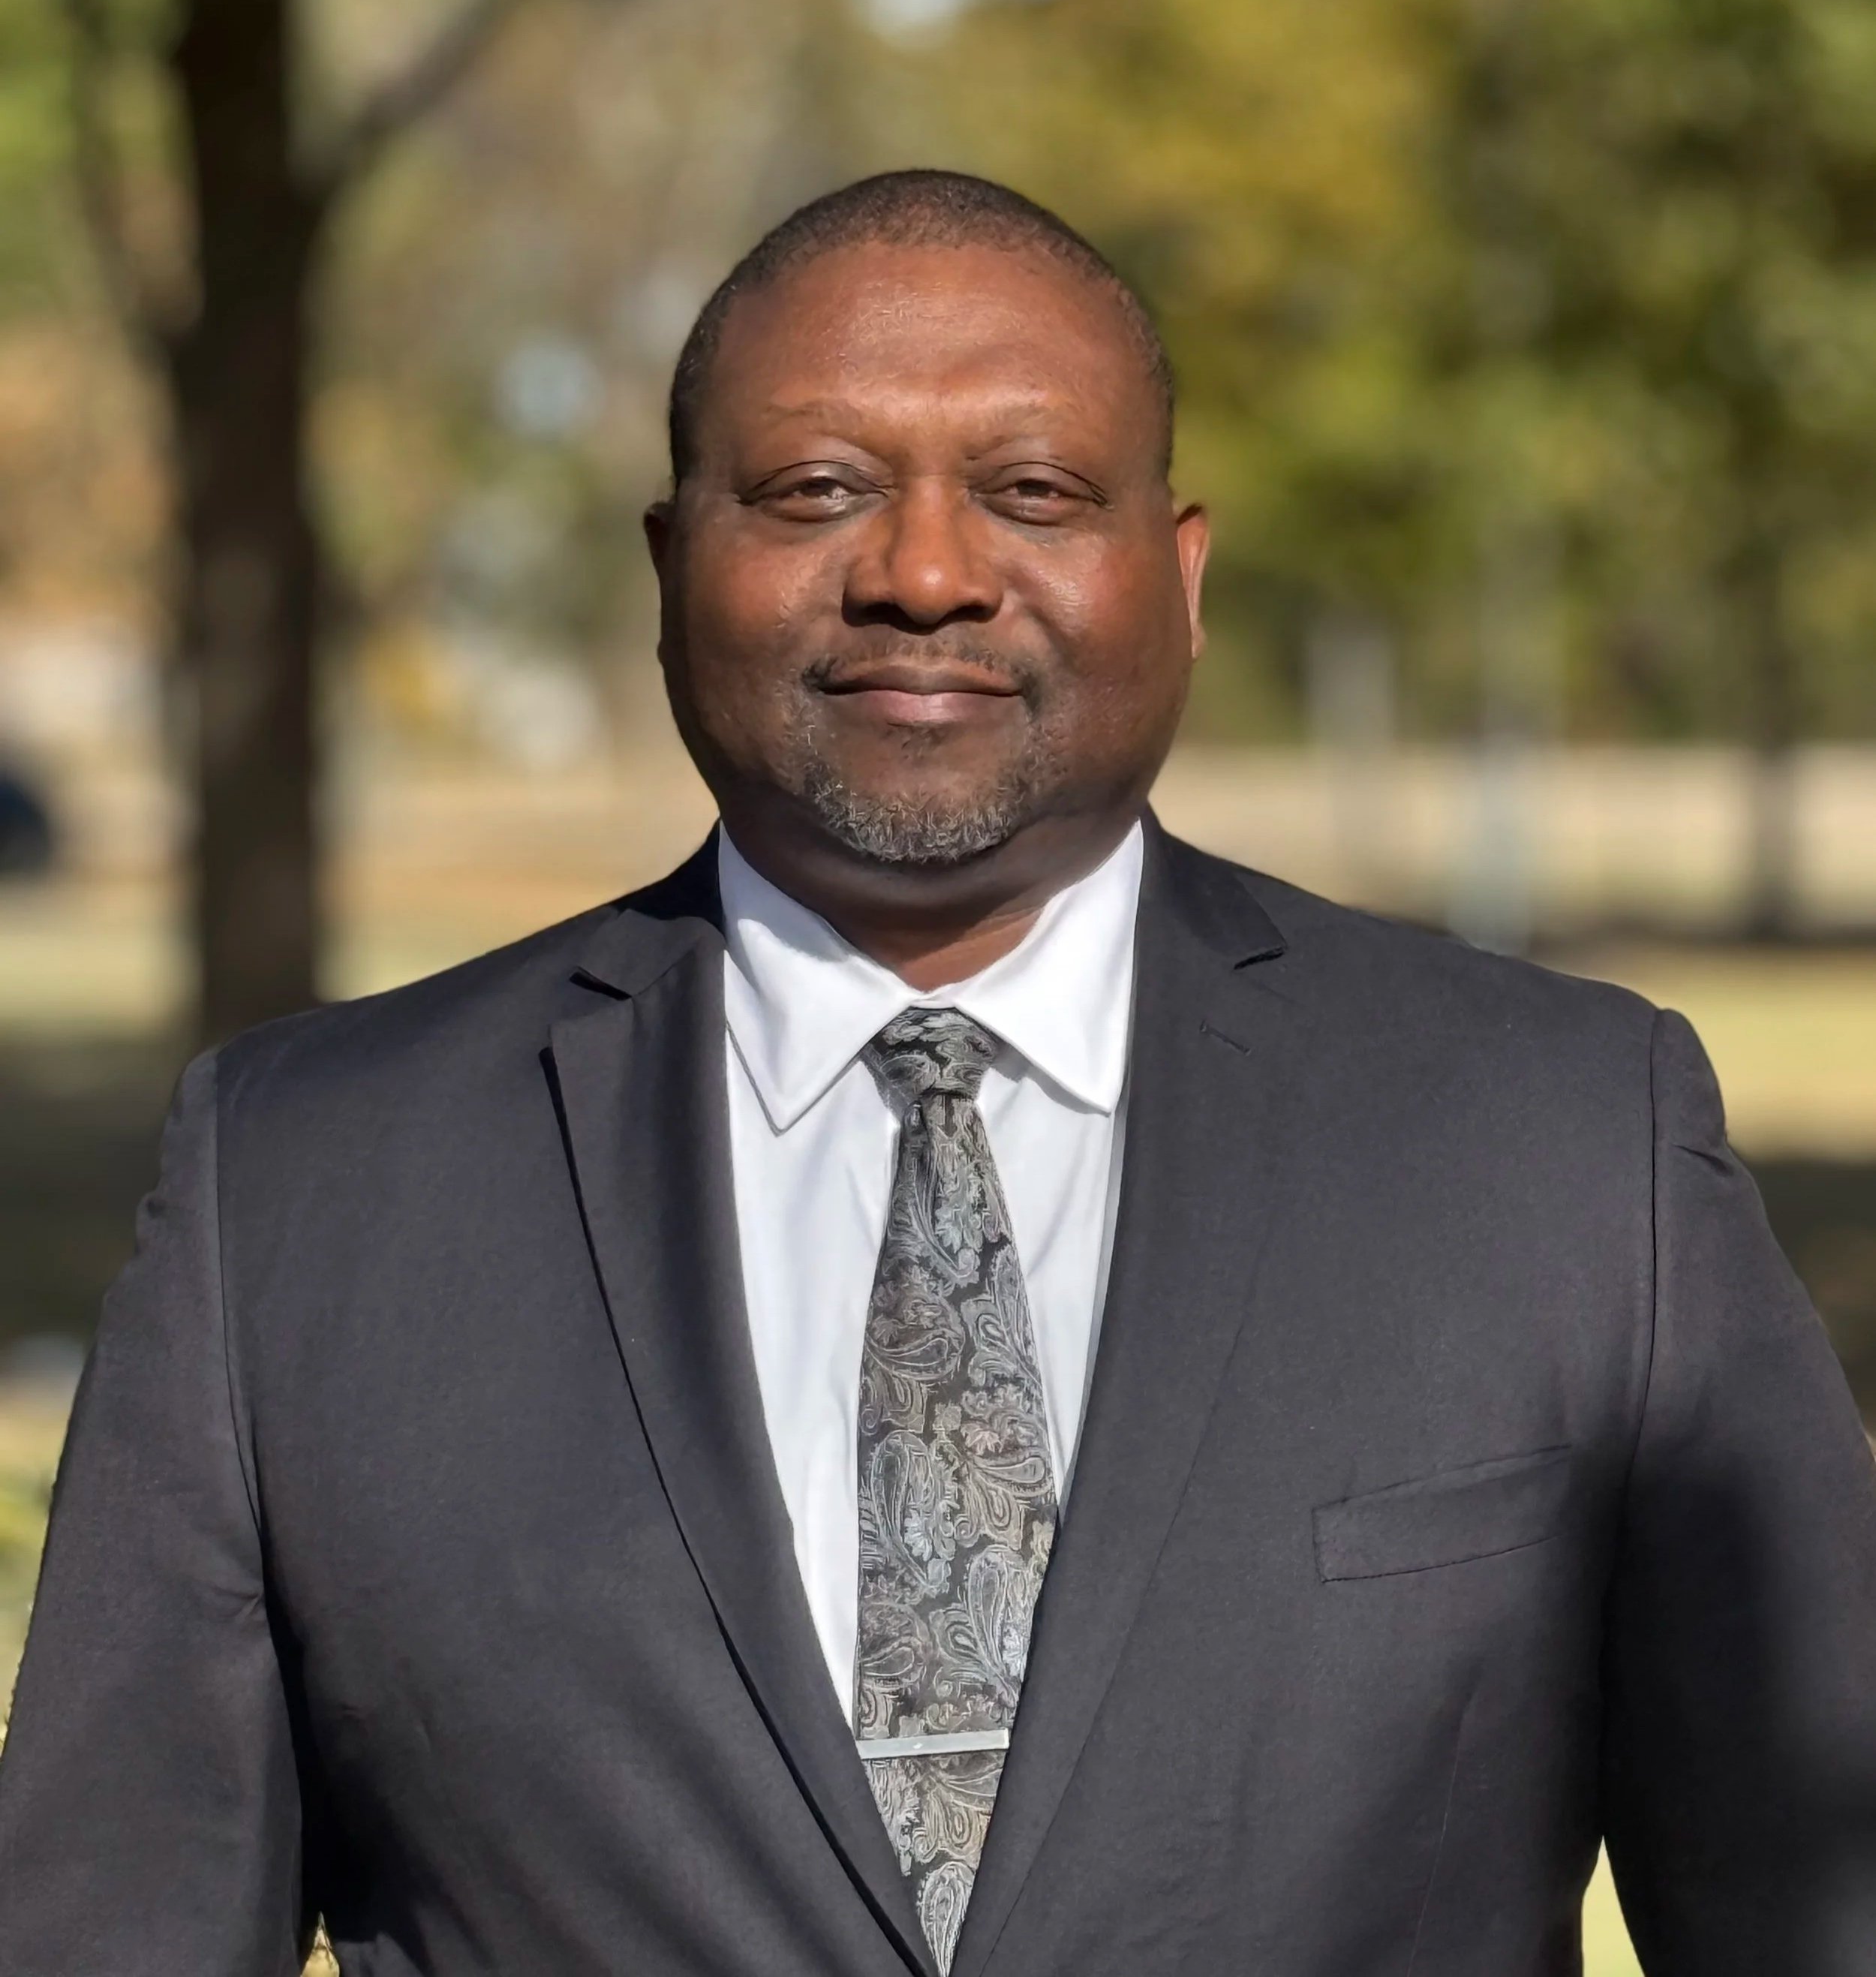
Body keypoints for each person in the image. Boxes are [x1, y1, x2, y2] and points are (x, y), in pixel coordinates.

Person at [2, 170, 1873, 1977]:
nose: (920, 573)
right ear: (667, 565)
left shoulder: (1563, 1148)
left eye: (1031, 491)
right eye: (815, 489)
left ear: (1181, 575)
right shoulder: (301, 1190)